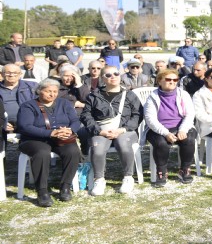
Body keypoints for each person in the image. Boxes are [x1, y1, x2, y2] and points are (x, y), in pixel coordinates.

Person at [16, 78, 81, 207]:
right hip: (34, 139)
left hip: (61, 137)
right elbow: (25, 126)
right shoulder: (28, 106)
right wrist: (50, 133)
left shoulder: (64, 103)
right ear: (39, 91)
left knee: (73, 151)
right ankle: (42, 191)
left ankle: (65, 187)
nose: (52, 94)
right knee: (42, 152)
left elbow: (75, 120)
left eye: (55, 91)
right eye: (48, 91)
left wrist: (69, 130)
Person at [79, 66, 142, 195]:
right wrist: (98, 131)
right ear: (102, 78)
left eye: (115, 73)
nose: (112, 76)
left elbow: (137, 115)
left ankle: (128, 177)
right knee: (97, 148)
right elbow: (86, 115)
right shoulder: (94, 96)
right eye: (108, 75)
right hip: (102, 131)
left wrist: (122, 129)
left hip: (125, 131)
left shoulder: (129, 94)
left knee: (123, 144)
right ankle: (99, 179)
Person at [144, 69, 198, 187]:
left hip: (181, 126)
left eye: (175, 80)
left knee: (188, 139)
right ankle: (162, 172)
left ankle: (184, 169)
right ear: (159, 81)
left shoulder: (183, 94)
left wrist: (183, 129)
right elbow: (150, 119)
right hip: (159, 128)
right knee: (161, 143)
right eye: (168, 79)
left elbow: (190, 114)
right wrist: (165, 133)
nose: (172, 82)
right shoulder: (152, 96)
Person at [0, 64, 37, 136]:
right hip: (3, 126)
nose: (11, 75)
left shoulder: (32, 87)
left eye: (15, 73)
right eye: (8, 72)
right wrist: (2, 123)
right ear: (2, 74)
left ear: (20, 74)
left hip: (28, 124)